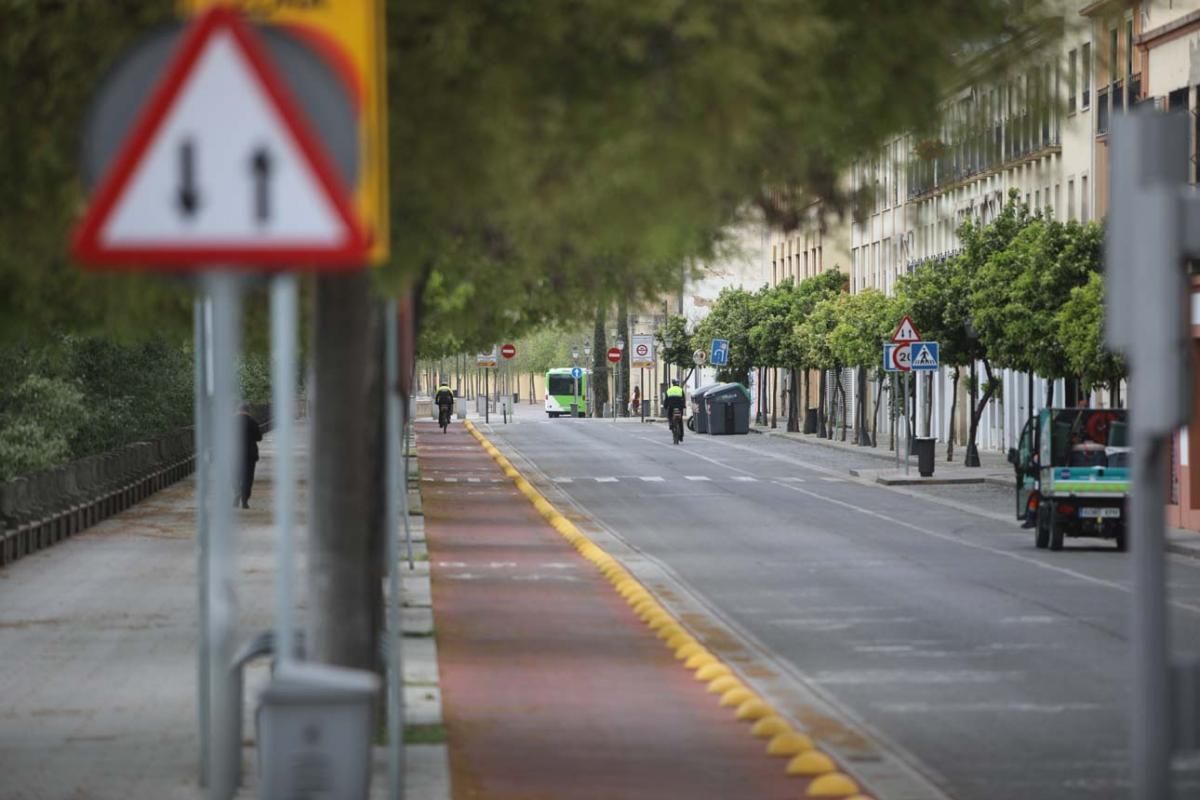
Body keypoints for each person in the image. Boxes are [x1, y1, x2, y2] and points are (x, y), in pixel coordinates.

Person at [235, 404, 262, 509]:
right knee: (248, 477)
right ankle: (245, 499)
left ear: (238, 410)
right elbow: (259, 438)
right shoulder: (252, 422)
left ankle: (237, 491)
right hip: (249, 454)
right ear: (248, 411)